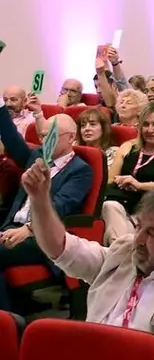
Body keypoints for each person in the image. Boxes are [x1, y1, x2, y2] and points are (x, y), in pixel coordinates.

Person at [27, 177, 154, 333]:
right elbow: (62, 249)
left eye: (152, 233)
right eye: (139, 226)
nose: (138, 239)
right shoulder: (124, 250)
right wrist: (39, 200)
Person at [0, 110, 92, 309]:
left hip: (41, 238)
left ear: (71, 138)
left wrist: (29, 228)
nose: (45, 141)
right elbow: (12, 141)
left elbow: (61, 206)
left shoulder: (79, 170)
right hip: (12, 226)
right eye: (43, 135)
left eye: (52, 136)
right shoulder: (38, 157)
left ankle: (6, 322)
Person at [102, 103, 154, 241]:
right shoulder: (127, 147)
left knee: (122, 230)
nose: (150, 129)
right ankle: (125, 250)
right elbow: (110, 180)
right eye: (146, 124)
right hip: (123, 205)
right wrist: (121, 181)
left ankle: (120, 252)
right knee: (109, 206)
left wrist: (140, 185)